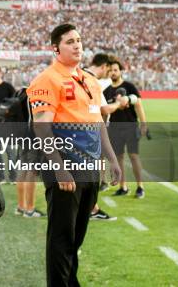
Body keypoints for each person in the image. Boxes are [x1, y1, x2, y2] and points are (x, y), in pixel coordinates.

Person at [27, 23, 121, 287]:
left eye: (79, 40)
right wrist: (59, 168)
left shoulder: (89, 80)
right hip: (66, 165)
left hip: (90, 167)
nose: (77, 45)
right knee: (61, 238)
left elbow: (98, 123)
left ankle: (71, 283)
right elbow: (42, 126)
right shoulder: (46, 79)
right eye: (70, 41)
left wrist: (111, 159)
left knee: (77, 237)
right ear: (55, 48)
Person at [84, 53, 129, 221]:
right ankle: (91, 210)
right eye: (108, 70)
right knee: (90, 176)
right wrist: (119, 103)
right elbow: (104, 110)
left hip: (76, 134)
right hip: (89, 134)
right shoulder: (92, 81)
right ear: (103, 67)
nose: (109, 74)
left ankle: (92, 208)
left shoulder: (81, 76)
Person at [104, 59, 148, 198]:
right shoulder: (106, 91)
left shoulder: (129, 86)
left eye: (115, 70)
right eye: (110, 70)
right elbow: (105, 112)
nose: (113, 72)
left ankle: (140, 186)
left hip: (130, 126)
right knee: (118, 158)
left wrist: (143, 123)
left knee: (134, 156)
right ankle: (123, 187)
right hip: (115, 129)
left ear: (121, 71)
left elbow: (139, 105)